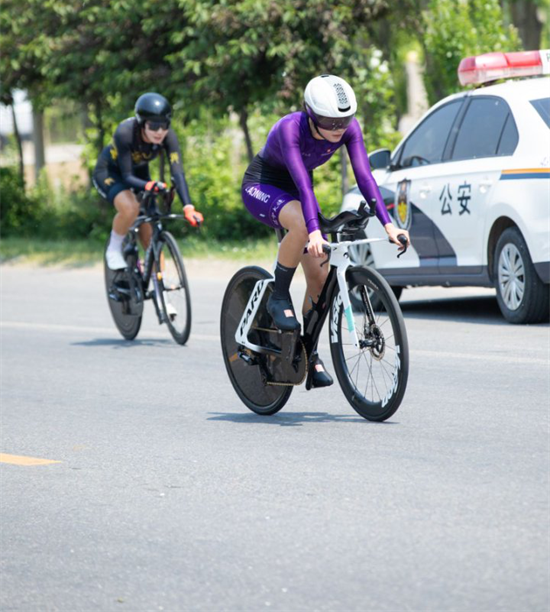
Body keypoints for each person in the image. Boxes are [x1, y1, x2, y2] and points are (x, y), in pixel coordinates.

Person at [241, 74, 410, 388]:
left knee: (320, 280)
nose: (338, 129)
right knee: (303, 225)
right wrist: (314, 230)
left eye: (344, 121)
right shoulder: (290, 127)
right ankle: (279, 296)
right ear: (310, 113)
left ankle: (308, 353)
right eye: (330, 122)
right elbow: (303, 185)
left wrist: (389, 224)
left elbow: (365, 177)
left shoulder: (349, 128)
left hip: (299, 192)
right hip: (264, 185)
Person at [93, 93, 203, 270]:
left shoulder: (168, 136)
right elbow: (127, 176)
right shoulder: (125, 132)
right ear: (142, 123)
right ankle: (113, 249)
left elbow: (177, 172)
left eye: (164, 125)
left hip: (139, 172)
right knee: (130, 207)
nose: (159, 132)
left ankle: (157, 277)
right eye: (153, 126)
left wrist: (188, 207)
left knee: (149, 221)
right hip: (110, 172)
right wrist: (148, 185)